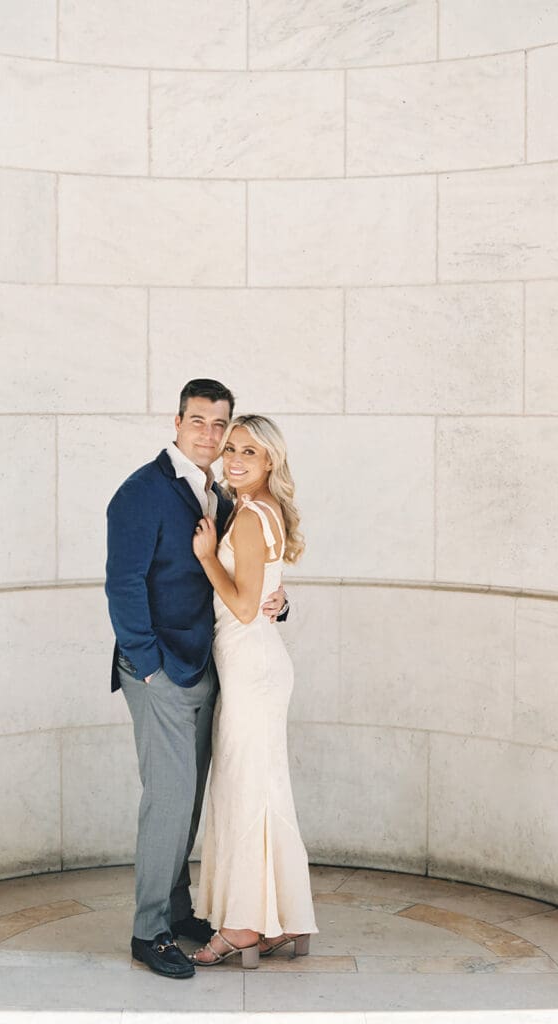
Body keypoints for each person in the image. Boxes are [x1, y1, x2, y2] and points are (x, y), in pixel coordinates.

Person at [105, 380, 287, 980]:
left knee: (188, 799)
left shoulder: (222, 492)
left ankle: (179, 909)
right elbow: (123, 585)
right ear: (177, 421)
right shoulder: (140, 492)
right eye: (198, 422)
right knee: (169, 797)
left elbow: (244, 573)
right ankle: (149, 930)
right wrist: (148, 666)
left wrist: (278, 601)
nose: (210, 435)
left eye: (220, 425)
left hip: (210, 665)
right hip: (159, 671)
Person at [190, 414, 318, 969]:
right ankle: (284, 920)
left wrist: (205, 557)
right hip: (256, 664)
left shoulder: (247, 517)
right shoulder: (260, 508)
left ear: (271, 461)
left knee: (244, 789)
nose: (236, 460)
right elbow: (263, 591)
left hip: (251, 666)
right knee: (260, 789)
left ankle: (243, 926)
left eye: (250, 452)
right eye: (232, 449)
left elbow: (244, 607)